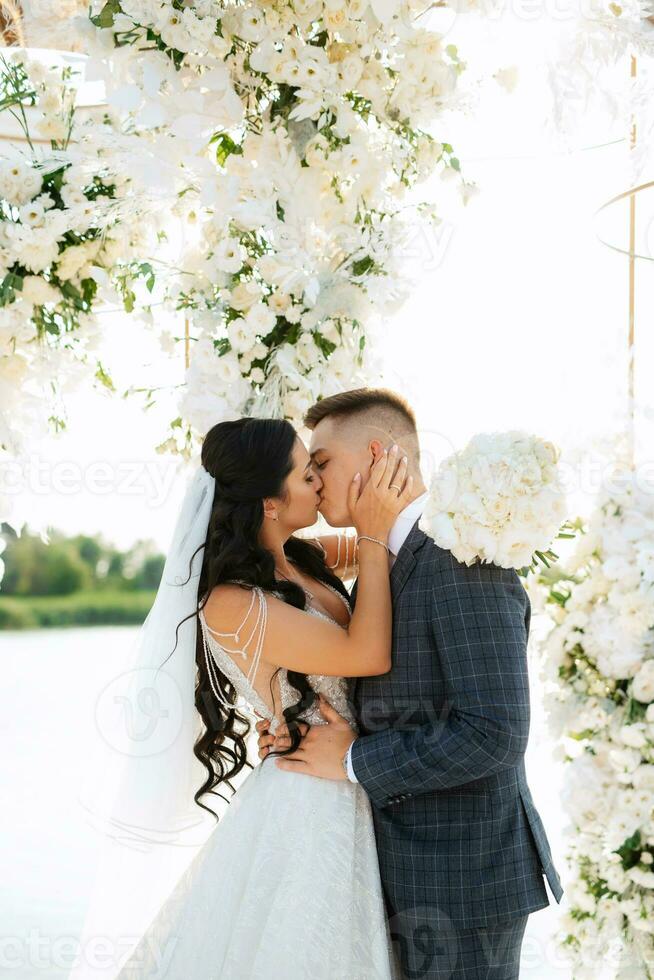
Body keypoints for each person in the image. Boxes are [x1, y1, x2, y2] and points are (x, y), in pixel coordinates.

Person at [257, 387, 565, 980]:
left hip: (463, 882)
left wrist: (354, 760)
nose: (315, 483)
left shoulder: (460, 557)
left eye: (321, 464)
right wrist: (306, 729)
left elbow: (494, 733)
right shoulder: (389, 556)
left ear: (376, 455)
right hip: (401, 869)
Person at [101, 415, 414, 979]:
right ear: (271, 501)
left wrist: (382, 497)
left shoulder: (305, 557)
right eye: (305, 472)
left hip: (345, 778)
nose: (319, 482)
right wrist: (370, 534)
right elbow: (367, 654)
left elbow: (396, 533)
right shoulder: (232, 601)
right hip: (309, 804)